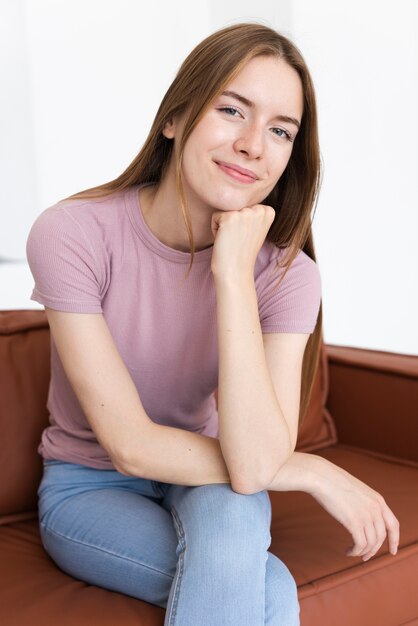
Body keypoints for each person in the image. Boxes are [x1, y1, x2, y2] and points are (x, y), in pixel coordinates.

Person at [26, 22, 399, 626]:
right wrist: (313, 469)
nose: (254, 144)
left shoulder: (287, 275)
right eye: (232, 110)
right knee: (268, 590)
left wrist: (231, 271)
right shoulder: (73, 233)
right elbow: (129, 446)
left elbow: (252, 465)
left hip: (210, 468)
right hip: (89, 486)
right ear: (175, 118)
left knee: (235, 510)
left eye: (281, 130)